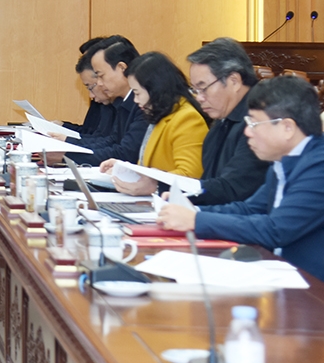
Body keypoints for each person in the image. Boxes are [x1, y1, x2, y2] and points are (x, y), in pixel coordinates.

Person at [159, 76, 324, 281]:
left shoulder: (319, 166)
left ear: (287, 128)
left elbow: (276, 230)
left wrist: (196, 220)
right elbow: (249, 209)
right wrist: (192, 210)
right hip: (283, 274)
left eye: (254, 123)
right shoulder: (285, 160)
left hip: (312, 289)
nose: (247, 132)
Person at [105, 51, 209, 191]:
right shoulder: (161, 114)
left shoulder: (187, 118)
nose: (135, 100)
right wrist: (125, 169)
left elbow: (189, 176)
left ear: (155, 89)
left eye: (137, 93)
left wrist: (155, 186)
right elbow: (148, 168)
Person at [182, 38, 268, 205]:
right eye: (195, 89)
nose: (199, 98)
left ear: (234, 81)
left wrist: (167, 188)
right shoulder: (221, 121)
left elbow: (233, 189)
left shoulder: (259, 121)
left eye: (203, 88)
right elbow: (210, 182)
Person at [69, 37, 149, 167]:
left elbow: (126, 154)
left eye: (101, 76)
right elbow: (111, 140)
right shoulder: (123, 102)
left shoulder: (144, 103)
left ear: (122, 68)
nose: (99, 83)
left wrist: (67, 153)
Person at [62, 37, 116, 137]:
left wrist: (66, 140)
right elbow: (89, 132)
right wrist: (63, 126)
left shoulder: (115, 102)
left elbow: (107, 143)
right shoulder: (101, 99)